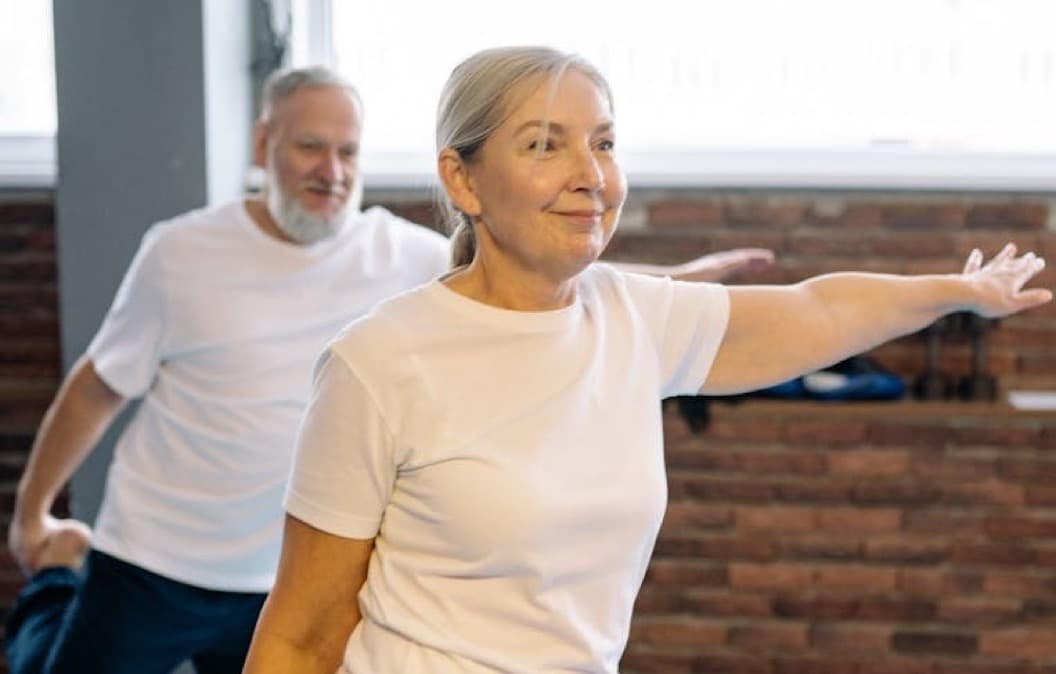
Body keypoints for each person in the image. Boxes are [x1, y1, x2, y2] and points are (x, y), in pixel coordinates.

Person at [243, 46, 1053, 673]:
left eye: (602, 142)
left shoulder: (635, 318)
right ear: (464, 179)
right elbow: (303, 632)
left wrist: (957, 290)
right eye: (544, 145)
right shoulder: (379, 361)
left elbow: (816, 309)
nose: (589, 175)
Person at [4, 65, 769, 674]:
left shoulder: (397, 255)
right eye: (310, 147)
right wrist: (33, 513)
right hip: (159, 558)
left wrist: (690, 277)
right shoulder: (180, 253)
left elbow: (548, 264)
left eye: (348, 152)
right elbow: (97, 388)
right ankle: (56, 584)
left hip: (285, 577)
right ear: (263, 142)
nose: (331, 170)